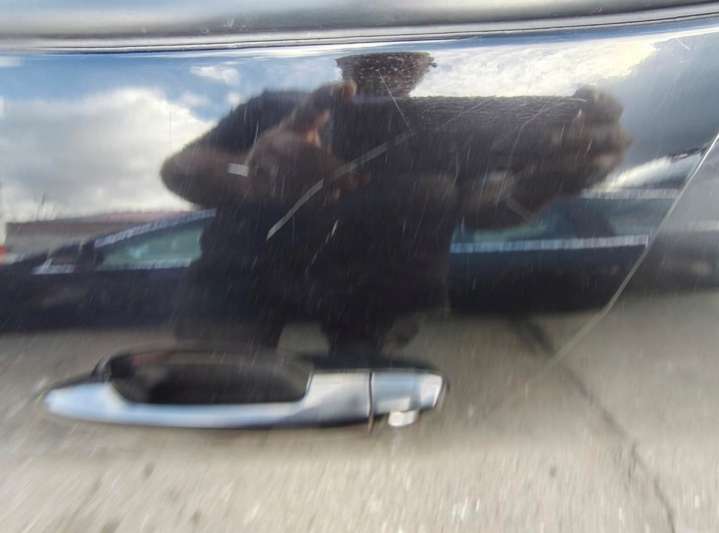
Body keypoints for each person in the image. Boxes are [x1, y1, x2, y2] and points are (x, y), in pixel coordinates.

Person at [161, 52, 630, 355]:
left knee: (364, 410)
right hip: (242, 286)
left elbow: (483, 211)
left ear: (426, 66)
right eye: (380, 53)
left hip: (382, 299)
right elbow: (177, 170)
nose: (395, 63)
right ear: (344, 60)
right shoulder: (277, 108)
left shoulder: (453, 127)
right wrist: (248, 172)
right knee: (208, 398)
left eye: (409, 57)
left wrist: (546, 181)